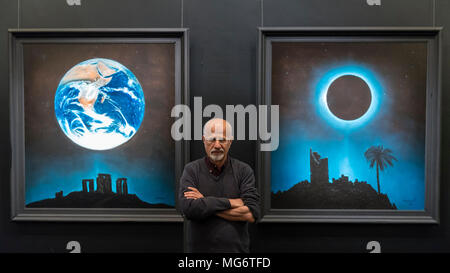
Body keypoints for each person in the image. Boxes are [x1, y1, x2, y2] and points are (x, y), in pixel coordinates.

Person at [178, 118, 261, 253]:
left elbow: (251, 214)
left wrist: (205, 202)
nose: (217, 145)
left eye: (222, 140)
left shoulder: (244, 170)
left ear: (230, 141)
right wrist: (233, 202)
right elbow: (189, 209)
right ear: (204, 140)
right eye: (212, 139)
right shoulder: (191, 170)